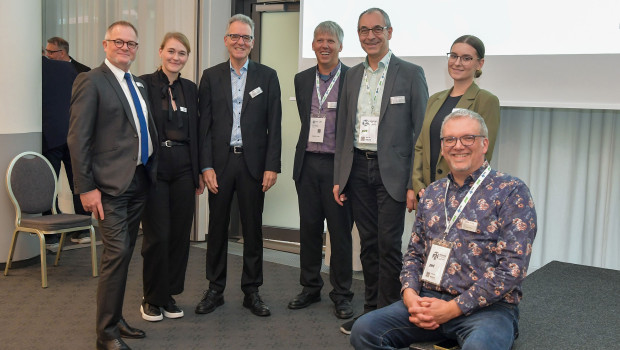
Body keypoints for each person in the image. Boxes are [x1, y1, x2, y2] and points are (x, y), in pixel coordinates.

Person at [350, 109, 537, 350]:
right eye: (450, 139)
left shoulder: (511, 191)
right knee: (364, 332)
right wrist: (410, 295)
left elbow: (512, 269)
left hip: (487, 309)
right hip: (428, 299)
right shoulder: (432, 193)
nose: (458, 146)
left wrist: (451, 309)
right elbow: (414, 253)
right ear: (442, 147)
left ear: (484, 144)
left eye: (467, 138)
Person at [333, 7, 428, 333]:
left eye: (377, 29)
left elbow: (421, 132)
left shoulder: (410, 73)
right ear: (358, 35)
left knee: (389, 246)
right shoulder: (352, 75)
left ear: (389, 31)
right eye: (363, 30)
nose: (370, 36)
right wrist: (340, 176)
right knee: (369, 245)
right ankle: (370, 310)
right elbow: (345, 128)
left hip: (394, 174)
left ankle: (391, 314)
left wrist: (416, 181)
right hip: (358, 169)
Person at [68, 21, 158, 350]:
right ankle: (105, 333)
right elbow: (78, 139)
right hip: (107, 187)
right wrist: (85, 188)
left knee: (123, 254)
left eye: (131, 44)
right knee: (116, 253)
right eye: (118, 42)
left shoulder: (137, 84)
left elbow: (138, 129)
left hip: (138, 181)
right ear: (105, 44)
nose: (125, 48)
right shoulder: (90, 81)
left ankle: (116, 319)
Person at [195, 14, 282, 318]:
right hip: (219, 165)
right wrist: (205, 166)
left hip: (253, 164)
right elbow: (203, 126)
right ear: (226, 40)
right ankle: (215, 289)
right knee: (216, 228)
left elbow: (275, 125)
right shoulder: (210, 76)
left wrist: (272, 165)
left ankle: (252, 291)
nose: (240, 42)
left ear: (253, 43)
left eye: (246, 38)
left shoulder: (267, 76)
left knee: (252, 229)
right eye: (235, 36)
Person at [288, 21, 354, 319]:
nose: (324, 45)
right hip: (307, 164)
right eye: (319, 40)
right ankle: (310, 287)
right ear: (312, 45)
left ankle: (341, 294)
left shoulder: (354, 77)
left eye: (330, 40)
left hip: (338, 167)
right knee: (310, 230)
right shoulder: (302, 79)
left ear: (340, 45)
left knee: (339, 233)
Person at [139, 32, 205, 322]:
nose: (176, 57)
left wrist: (200, 170)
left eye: (182, 53)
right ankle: (151, 298)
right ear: (160, 51)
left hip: (184, 167)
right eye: (172, 51)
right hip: (155, 167)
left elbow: (199, 132)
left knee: (180, 234)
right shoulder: (144, 84)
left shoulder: (190, 88)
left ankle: (168, 294)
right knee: (158, 235)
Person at [410, 35, 499, 211]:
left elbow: (482, 153)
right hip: (427, 192)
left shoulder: (486, 100)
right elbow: (420, 146)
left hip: (462, 195)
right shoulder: (435, 99)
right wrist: (417, 183)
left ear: (479, 64)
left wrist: (456, 188)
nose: (457, 63)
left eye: (466, 58)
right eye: (454, 56)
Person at [43, 39, 92, 245]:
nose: (48, 55)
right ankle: (65, 229)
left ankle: (66, 231)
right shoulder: (71, 71)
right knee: (61, 183)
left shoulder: (83, 71)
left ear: (61, 52)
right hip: (68, 133)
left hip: (60, 135)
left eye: (51, 51)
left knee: (72, 181)